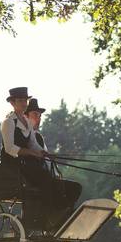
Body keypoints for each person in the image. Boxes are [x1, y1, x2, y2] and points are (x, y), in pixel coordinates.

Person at [0, 88, 79, 230]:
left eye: (25, 100)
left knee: (46, 175)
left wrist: (43, 153)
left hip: (26, 163)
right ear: (12, 103)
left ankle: (58, 212)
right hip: (12, 164)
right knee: (43, 176)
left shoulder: (26, 122)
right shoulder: (8, 122)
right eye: (20, 101)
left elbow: (33, 144)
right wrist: (32, 153)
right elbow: (10, 149)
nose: (24, 103)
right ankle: (49, 215)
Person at [24, 98, 81, 229]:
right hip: (38, 178)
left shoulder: (37, 135)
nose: (39, 119)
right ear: (25, 117)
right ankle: (57, 220)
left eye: (40, 116)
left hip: (45, 176)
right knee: (74, 188)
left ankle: (61, 218)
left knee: (73, 188)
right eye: (35, 115)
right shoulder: (29, 135)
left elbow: (47, 161)